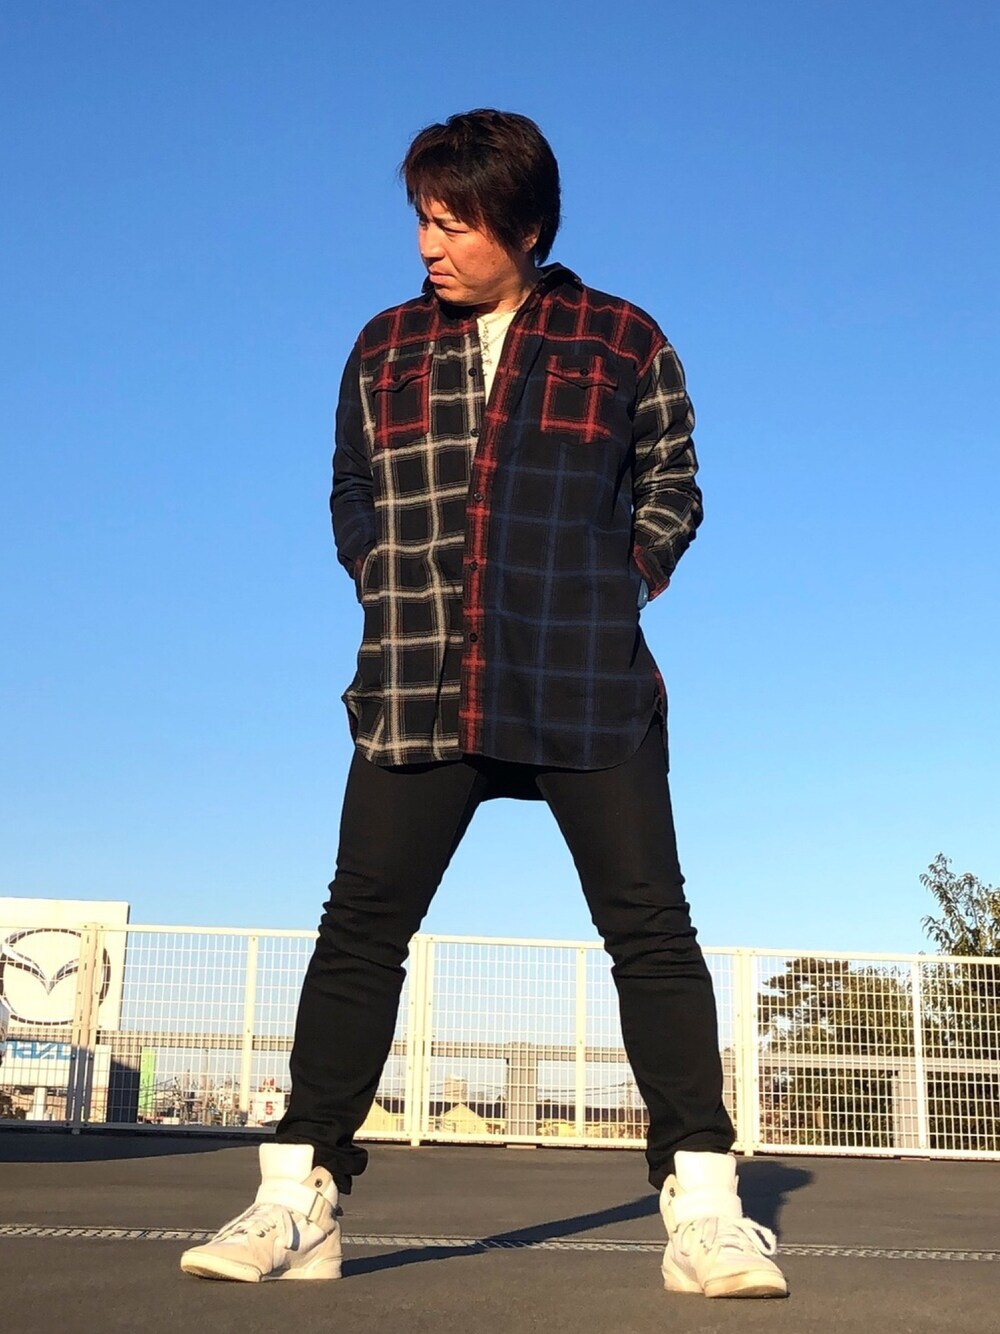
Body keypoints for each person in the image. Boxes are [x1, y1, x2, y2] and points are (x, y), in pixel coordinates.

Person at [180, 109, 787, 1299]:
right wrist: (378, 570)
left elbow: (672, 481)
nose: (429, 245)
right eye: (422, 219)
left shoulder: (622, 337)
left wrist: (622, 581)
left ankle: (708, 1206)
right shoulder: (384, 344)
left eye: (455, 224)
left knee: (650, 929)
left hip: (584, 675)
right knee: (359, 927)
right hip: (417, 674)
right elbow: (351, 485)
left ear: (528, 226)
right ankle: (299, 1196)